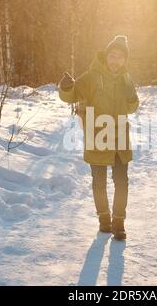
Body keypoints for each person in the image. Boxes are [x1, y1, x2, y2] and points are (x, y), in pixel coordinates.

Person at [58, 35, 139, 241]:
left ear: (125, 60)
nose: (116, 60)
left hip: (120, 136)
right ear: (106, 55)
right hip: (97, 136)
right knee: (99, 182)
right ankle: (104, 219)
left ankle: (119, 222)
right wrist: (66, 88)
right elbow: (72, 96)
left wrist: (131, 98)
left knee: (122, 182)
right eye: (113, 55)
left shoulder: (126, 78)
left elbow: (132, 106)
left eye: (120, 56)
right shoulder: (92, 76)